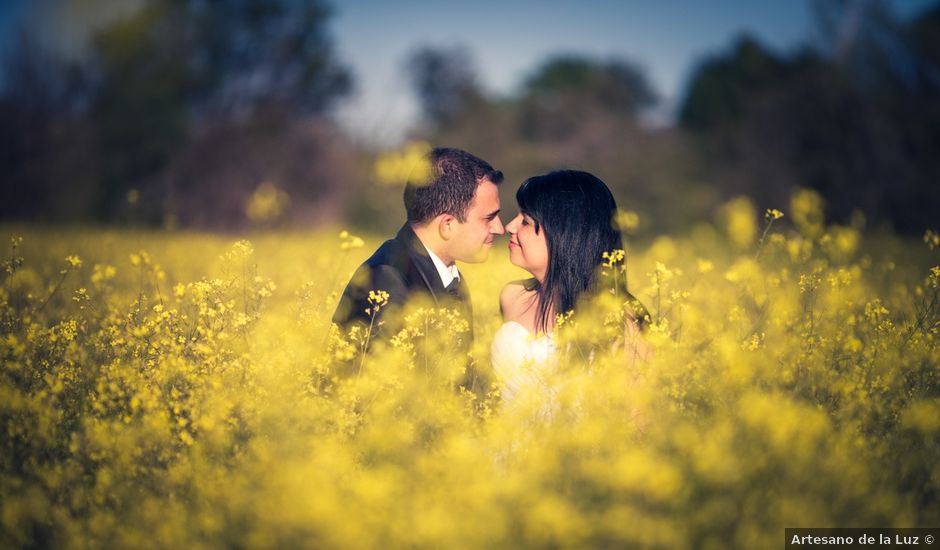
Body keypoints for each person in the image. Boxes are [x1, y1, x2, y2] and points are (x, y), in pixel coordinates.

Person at [491, 170, 649, 407]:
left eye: (525, 221)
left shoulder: (621, 323)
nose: (509, 226)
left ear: (564, 234)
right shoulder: (512, 297)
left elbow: (639, 422)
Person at [333, 147, 505, 356]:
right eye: (489, 218)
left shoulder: (450, 276)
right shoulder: (386, 280)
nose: (500, 228)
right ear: (448, 224)